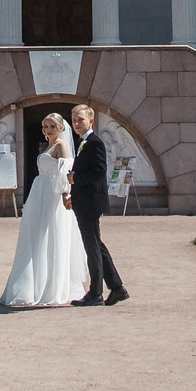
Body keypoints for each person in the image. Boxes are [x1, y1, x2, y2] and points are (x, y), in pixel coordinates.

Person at [0, 112, 87, 307]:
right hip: (39, 194)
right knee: (36, 238)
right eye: (45, 126)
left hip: (52, 195)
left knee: (51, 236)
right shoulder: (49, 146)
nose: (48, 130)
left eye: (52, 126)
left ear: (61, 128)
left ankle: (52, 287)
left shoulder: (61, 146)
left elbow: (66, 172)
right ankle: (35, 283)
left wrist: (65, 194)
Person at [67, 103, 129, 306]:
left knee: (92, 248)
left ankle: (95, 293)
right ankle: (117, 288)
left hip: (90, 203)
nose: (76, 123)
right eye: (74, 120)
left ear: (91, 121)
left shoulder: (94, 142)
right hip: (83, 201)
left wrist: (76, 178)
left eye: (80, 119)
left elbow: (99, 171)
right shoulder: (83, 142)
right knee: (96, 246)